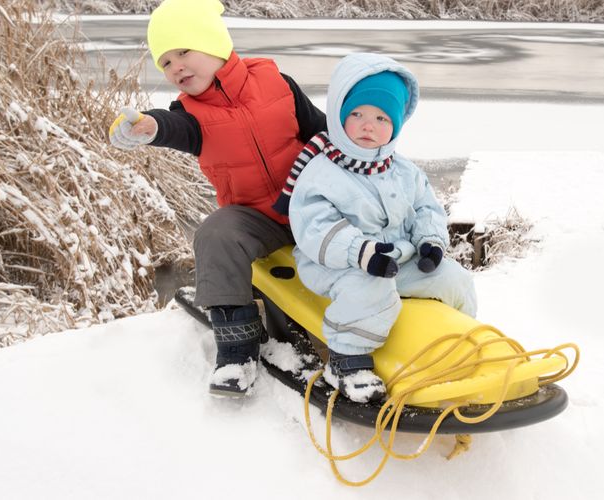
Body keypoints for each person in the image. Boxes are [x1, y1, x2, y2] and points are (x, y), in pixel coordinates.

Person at [107, 0, 326, 397]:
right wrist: (149, 126)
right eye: (165, 62)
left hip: (314, 207)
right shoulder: (189, 114)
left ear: (215, 44)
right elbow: (172, 127)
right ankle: (238, 348)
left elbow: (322, 133)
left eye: (183, 51)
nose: (175, 67)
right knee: (215, 233)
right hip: (256, 218)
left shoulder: (277, 83)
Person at [282, 53, 477, 404]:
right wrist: (361, 252)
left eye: (381, 117)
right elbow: (315, 226)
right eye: (356, 114)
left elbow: (425, 207)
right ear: (339, 116)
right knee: (369, 285)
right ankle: (346, 360)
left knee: (455, 278)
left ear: (397, 124)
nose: (367, 125)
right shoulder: (321, 171)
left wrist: (430, 241)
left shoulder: (403, 170)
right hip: (335, 264)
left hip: (396, 258)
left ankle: (459, 340)